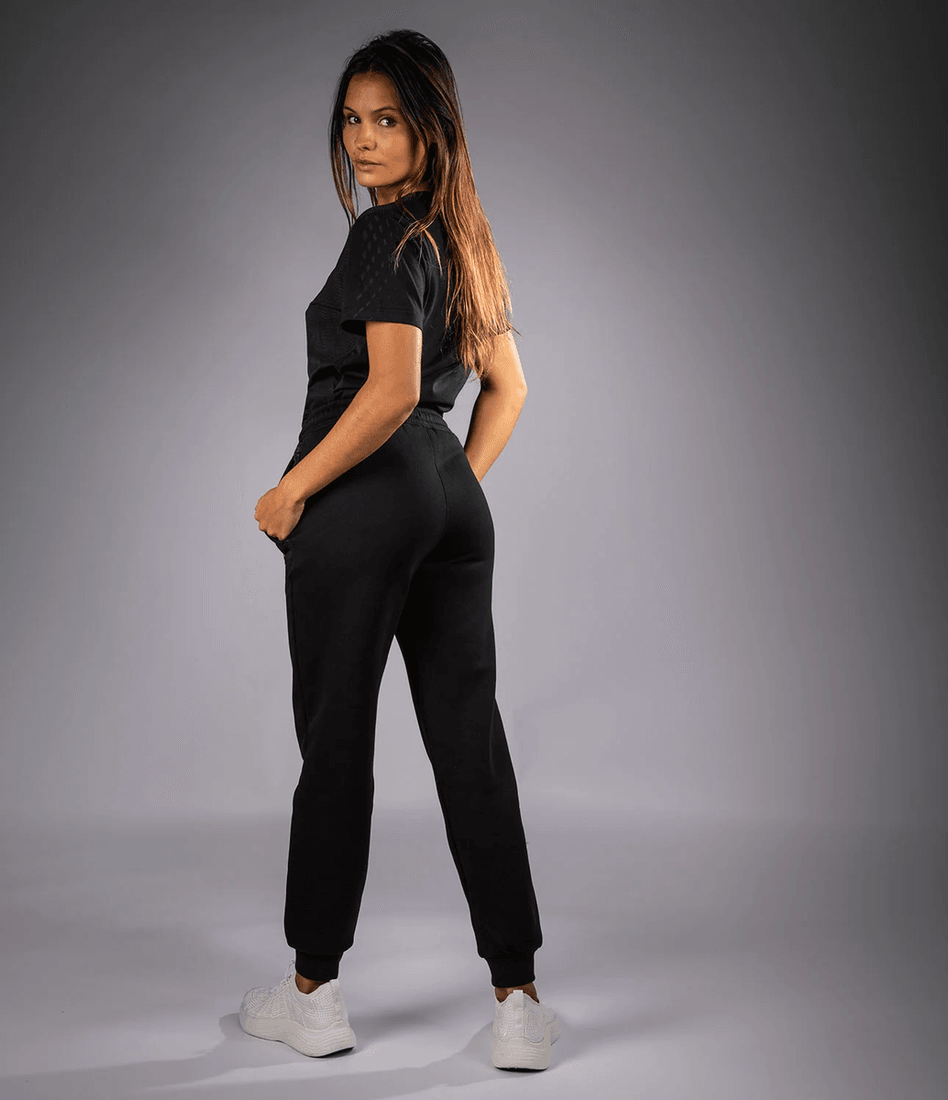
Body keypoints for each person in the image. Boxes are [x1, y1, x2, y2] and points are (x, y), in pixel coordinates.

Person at [240, 28, 560, 1071]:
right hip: (448, 497)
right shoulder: (465, 239)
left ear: (432, 129)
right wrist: (446, 487)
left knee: (336, 739)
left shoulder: (384, 232)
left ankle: (312, 994)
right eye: (351, 119)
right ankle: (518, 1002)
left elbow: (387, 389)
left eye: (387, 119)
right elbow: (508, 388)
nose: (364, 139)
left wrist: (292, 489)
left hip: (363, 495)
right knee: (470, 742)